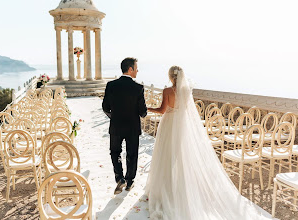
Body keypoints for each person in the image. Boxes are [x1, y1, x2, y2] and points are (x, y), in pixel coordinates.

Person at [145, 66, 272, 219]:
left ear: (170, 76)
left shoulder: (167, 91)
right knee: (181, 156)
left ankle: (166, 189)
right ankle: (181, 189)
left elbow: (162, 110)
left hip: (169, 125)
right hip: (182, 127)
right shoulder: (186, 91)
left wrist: (147, 108)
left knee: (166, 155)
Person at [102, 57, 147, 194]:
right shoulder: (138, 88)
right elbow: (143, 112)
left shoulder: (111, 85)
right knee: (132, 154)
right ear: (130, 69)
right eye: (136, 68)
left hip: (116, 126)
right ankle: (130, 182)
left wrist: (114, 117)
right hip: (133, 127)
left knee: (115, 152)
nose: (137, 71)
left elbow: (105, 107)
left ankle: (119, 177)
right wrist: (143, 113)